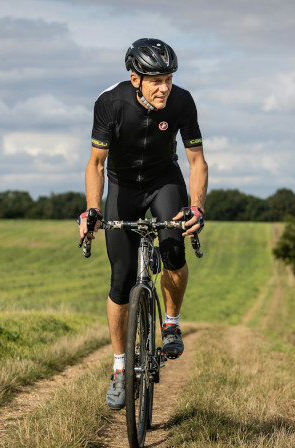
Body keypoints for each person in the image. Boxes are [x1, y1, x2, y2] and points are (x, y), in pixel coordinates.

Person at [78, 38, 208, 411]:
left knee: (173, 249)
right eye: (155, 80)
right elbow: (96, 164)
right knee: (120, 280)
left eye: (168, 78)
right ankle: (120, 369)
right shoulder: (111, 103)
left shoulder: (182, 102)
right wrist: (92, 210)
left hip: (163, 180)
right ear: (135, 79)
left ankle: (170, 322)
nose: (164, 87)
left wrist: (197, 209)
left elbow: (197, 161)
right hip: (122, 185)